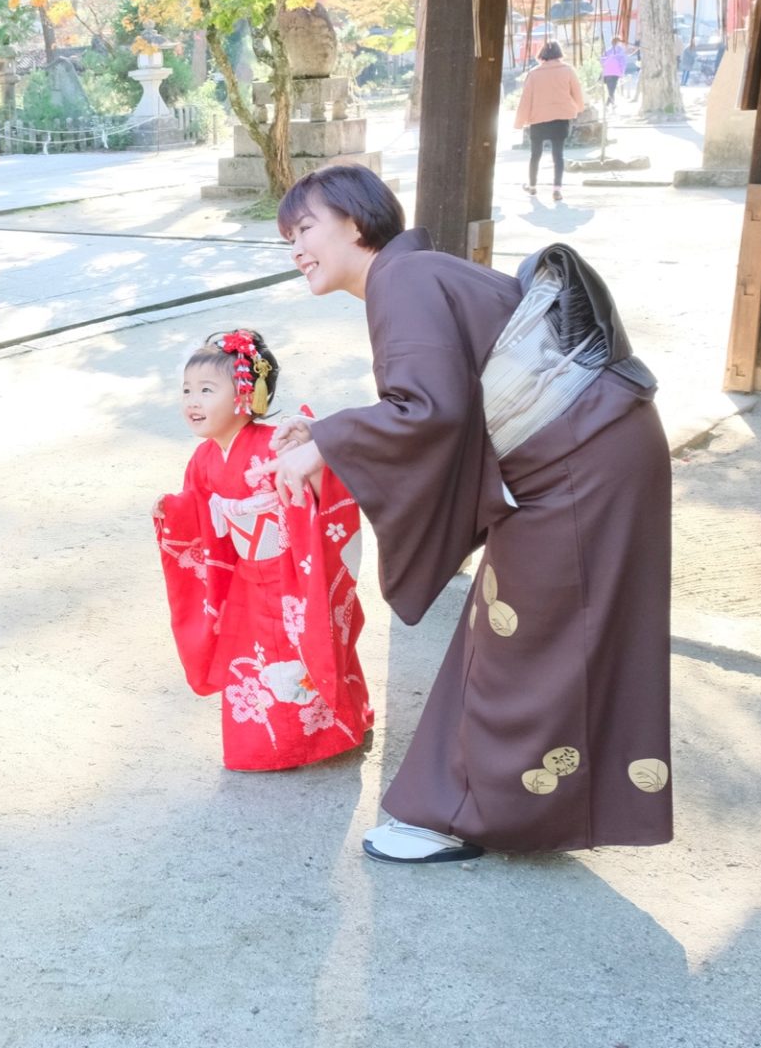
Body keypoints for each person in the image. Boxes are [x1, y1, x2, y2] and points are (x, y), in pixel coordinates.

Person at [262, 166, 672, 866]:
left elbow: (430, 411)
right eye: (288, 237)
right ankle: (513, 804)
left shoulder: (402, 280)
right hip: (592, 449)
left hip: (579, 462)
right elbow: (436, 406)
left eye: (305, 228)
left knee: (519, 641)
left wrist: (328, 443)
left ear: (356, 223)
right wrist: (331, 437)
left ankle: (462, 815)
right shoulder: (412, 275)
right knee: (532, 633)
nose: (296, 247)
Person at [152, 329, 372, 771]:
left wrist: (309, 464)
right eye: (187, 391)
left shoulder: (273, 443)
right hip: (246, 579)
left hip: (290, 572)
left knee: (304, 653)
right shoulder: (205, 459)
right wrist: (171, 513)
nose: (192, 401)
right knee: (254, 663)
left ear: (246, 396)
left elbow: (317, 485)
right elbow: (197, 514)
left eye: (207, 390)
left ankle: (328, 732)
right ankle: (268, 748)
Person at [512, 41, 582, 202]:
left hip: (538, 119)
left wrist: (519, 122)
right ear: (559, 53)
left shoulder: (534, 73)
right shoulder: (568, 71)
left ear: (542, 54)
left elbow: (526, 99)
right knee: (558, 155)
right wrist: (578, 108)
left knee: (535, 154)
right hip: (561, 118)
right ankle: (556, 190)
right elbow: (577, 93)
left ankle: (532, 186)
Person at [600, 38, 628, 105]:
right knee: (613, 88)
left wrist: (605, 66)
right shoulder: (620, 51)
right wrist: (622, 72)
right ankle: (608, 103)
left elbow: (602, 60)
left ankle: (612, 104)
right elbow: (623, 62)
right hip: (616, 72)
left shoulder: (608, 51)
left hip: (607, 72)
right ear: (618, 42)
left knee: (610, 88)